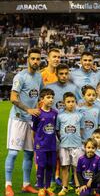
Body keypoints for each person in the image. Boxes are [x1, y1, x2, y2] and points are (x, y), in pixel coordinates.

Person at [5, 48, 43, 196]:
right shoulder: (20, 77)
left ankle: (26, 185)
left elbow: (40, 96)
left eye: (38, 59)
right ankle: (8, 185)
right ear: (28, 59)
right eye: (33, 58)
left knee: (28, 153)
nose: (35, 61)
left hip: (31, 121)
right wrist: (28, 109)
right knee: (13, 153)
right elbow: (13, 98)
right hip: (18, 119)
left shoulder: (39, 77)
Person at [56, 92, 84, 196]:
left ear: (75, 102)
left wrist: (77, 139)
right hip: (64, 145)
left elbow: (81, 130)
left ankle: (78, 186)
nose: (71, 104)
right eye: (68, 102)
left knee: (76, 167)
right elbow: (58, 130)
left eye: (73, 102)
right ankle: (65, 187)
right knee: (65, 167)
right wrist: (63, 139)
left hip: (77, 145)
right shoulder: (60, 116)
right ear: (64, 103)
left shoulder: (80, 115)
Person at [32, 88, 57, 196]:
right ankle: (41, 187)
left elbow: (55, 128)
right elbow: (33, 130)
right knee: (41, 166)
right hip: (40, 146)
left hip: (51, 145)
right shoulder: (37, 113)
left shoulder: (55, 113)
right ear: (42, 99)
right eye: (48, 97)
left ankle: (48, 187)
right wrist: (35, 144)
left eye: (52, 97)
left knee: (50, 166)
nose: (51, 99)